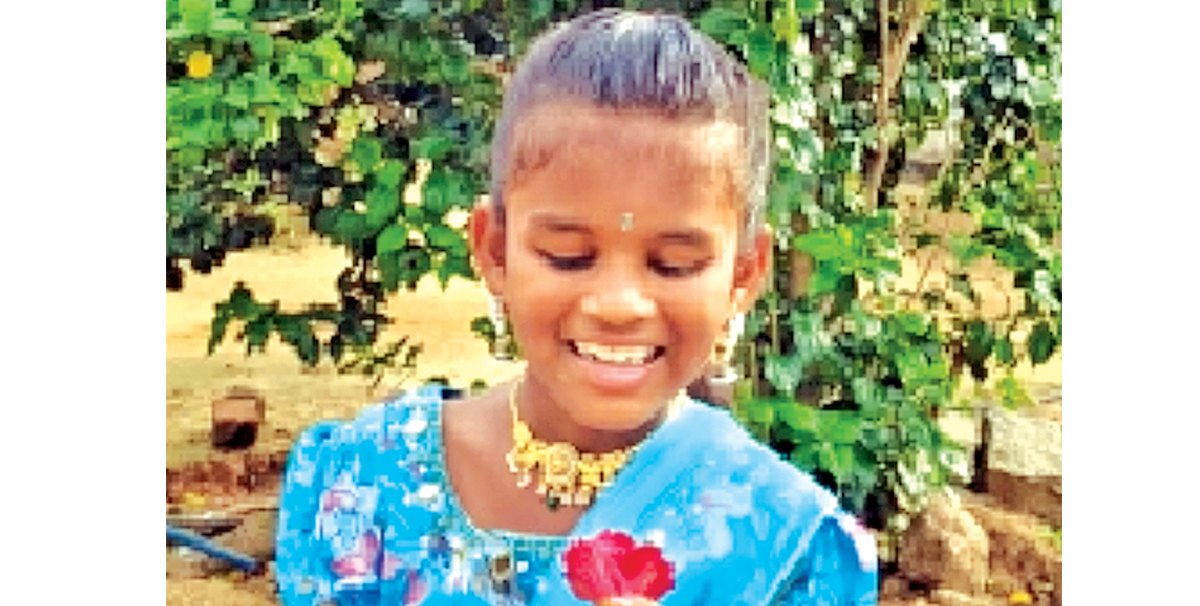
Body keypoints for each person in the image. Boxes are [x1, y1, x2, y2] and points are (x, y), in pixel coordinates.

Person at [275, 9, 878, 605]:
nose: (618, 305)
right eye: (567, 256)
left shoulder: (789, 549)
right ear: (495, 251)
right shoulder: (369, 485)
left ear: (743, 275)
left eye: (674, 264)